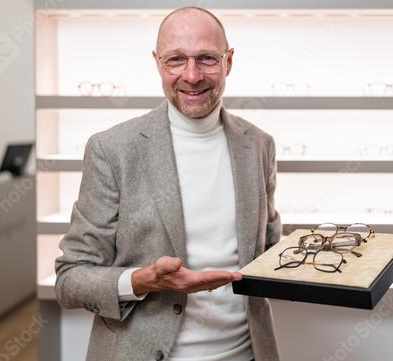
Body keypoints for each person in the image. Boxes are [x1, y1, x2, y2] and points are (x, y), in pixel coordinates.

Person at [55, 7, 281, 361]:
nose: (192, 76)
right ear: (158, 62)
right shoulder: (113, 149)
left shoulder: (259, 145)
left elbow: (267, 253)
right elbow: (70, 280)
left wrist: (328, 260)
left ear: (229, 61)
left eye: (207, 58)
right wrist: (143, 280)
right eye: (176, 60)